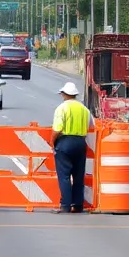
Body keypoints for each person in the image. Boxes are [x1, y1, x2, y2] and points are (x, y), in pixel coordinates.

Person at [51, 81, 93, 213]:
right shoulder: (84, 109)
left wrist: (52, 142)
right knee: (78, 175)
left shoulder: (62, 108)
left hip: (65, 142)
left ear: (64, 94)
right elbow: (91, 125)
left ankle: (65, 205)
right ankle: (78, 204)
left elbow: (57, 128)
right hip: (80, 143)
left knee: (64, 176)